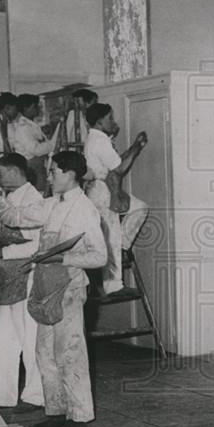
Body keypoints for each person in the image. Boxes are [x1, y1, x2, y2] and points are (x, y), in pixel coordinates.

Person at [26, 151, 108, 427]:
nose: (49, 177)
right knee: (45, 353)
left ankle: (80, 415)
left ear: (70, 174)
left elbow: (100, 257)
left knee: (69, 352)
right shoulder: (52, 205)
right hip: (47, 288)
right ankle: (56, 411)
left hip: (70, 288)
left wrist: (63, 260)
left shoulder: (85, 209)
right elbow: (16, 216)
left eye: (53, 172)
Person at [0, 153, 48, 411]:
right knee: (0, 339)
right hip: (7, 279)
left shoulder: (34, 201)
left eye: (0, 172)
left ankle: (36, 395)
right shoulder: (8, 200)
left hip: (28, 277)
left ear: (16, 171)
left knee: (29, 340)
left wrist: (3, 252)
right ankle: (3, 397)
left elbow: (39, 245)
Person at [82, 101, 150, 297]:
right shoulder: (99, 140)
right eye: (109, 118)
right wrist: (136, 147)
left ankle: (123, 243)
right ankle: (113, 285)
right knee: (111, 235)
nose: (113, 121)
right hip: (102, 191)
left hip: (101, 188)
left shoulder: (97, 138)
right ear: (100, 122)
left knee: (138, 208)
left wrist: (134, 147)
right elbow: (119, 169)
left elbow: (116, 162)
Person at [4, 93, 52, 193]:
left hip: (37, 165)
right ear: (26, 108)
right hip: (31, 167)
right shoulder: (23, 127)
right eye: (35, 106)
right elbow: (36, 150)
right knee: (35, 196)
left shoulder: (31, 125)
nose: (38, 109)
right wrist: (52, 144)